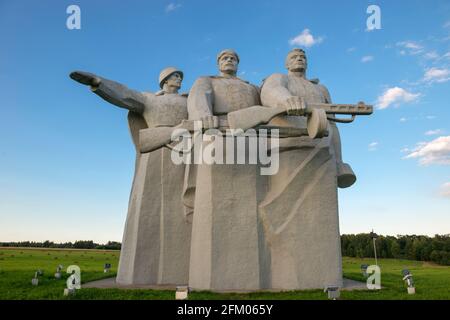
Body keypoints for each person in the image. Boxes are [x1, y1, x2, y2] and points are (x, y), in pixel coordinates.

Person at [70, 67, 191, 285]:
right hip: (154, 154)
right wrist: (99, 82)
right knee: (147, 207)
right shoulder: (147, 98)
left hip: (184, 154)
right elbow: (123, 94)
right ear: (164, 80)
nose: (179, 79)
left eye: (180, 76)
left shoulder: (188, 100)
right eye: (175, 75)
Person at [258, 48, 349, 289]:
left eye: (303, 56)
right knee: (281, 213)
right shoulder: (280, 79)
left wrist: (338, 159)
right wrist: (286, 100)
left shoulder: (321, 89)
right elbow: (270, 91)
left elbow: (332, 122)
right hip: (287, 149)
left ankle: (321, 277)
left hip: (321, 150)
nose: (299, 59)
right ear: (286, 62)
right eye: (294, 56)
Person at [185, 49, 267, 291]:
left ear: (238, 63)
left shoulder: (251, 88)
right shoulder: (206, 80)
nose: (228, 60)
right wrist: (204, 117)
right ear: (218, 63)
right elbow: (198, 100)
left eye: (233, 58)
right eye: (224, 58)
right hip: (217, 132)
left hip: (250, 136)